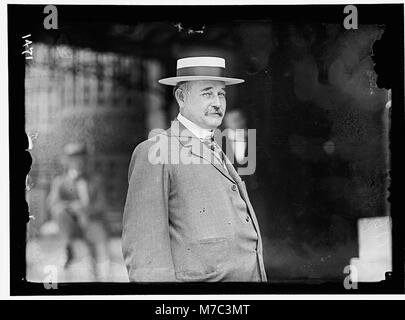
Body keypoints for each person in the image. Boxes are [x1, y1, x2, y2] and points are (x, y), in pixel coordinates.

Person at [122, 57, 267, 282]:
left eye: (222, 94)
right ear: (181, 97)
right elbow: (145, 254)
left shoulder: (217, 147)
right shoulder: (154, 151)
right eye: (207, 93)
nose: (218, 102)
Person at [47, 142, 109, 280]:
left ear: (86, 160)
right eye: (73, 159)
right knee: (59, 210)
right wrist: (73, 207)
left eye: (80, 158)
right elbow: (53, 203)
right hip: (71, 224)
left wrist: (85, 210)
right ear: (67, 161)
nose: (77, 162)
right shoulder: (60, 182)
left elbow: (101, 204)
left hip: (91, 221)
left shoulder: (96, 180)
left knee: (94, 234)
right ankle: (68, 247)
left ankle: (95, 269)